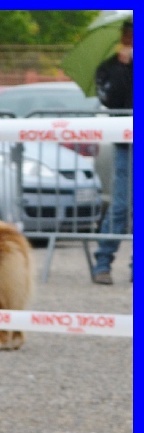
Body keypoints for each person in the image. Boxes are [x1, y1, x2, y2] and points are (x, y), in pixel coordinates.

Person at [92, 18, 133, 286]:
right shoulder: (108, 67)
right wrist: (124, 68)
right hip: (126, 144)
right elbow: (111, 100)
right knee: (120, 205)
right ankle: (103, 262)